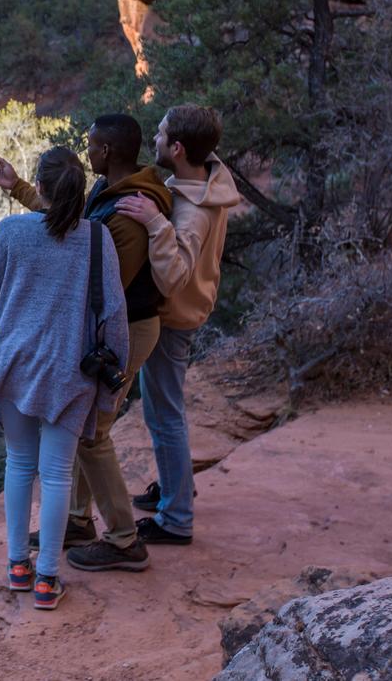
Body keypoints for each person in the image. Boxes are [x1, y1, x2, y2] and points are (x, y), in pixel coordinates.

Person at [0, 115, 172, 573]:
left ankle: (124, 538)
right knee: (69, 450)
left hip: (116, 335)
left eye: (91, 143)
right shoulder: (105, 200)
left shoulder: (126, 214)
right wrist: (18, 189)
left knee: (91, 437)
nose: (87, 150)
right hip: (92, 338)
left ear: (107, 151)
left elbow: (102, 292)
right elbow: (68, 228)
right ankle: (72, 525)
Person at [0, 146, 127, 611]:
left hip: (16, 364)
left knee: (19, 464)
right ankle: (47, 580)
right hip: (68, 371)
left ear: (37, 187)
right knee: (57, 472)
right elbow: (114, 316)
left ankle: (17, 565)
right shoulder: (98, 239)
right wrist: (112, 382)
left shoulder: (10, 232)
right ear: (81, 193)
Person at [113, 104, 240, 547]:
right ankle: (173, 488)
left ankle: (177, 518)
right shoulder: (204, 178)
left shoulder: (193, 211)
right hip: (185, 312)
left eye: (162, 135)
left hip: (173, 319)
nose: (155, 140)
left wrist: (152, 223)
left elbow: (174, 275)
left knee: (164, 416)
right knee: (163, 411)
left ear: (179, 148)